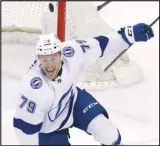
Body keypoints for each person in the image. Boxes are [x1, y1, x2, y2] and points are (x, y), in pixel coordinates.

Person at [13, 23, 154, 145]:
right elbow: (24, 130)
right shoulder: (32, 89)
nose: (49, 65)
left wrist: (129, 36)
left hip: (74, 101)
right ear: (38, 59)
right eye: (44, 60)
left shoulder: (71, 51)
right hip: (49, 128)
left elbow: (102, 44)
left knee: (108, 133)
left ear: (61, 54)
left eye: (53, 58)